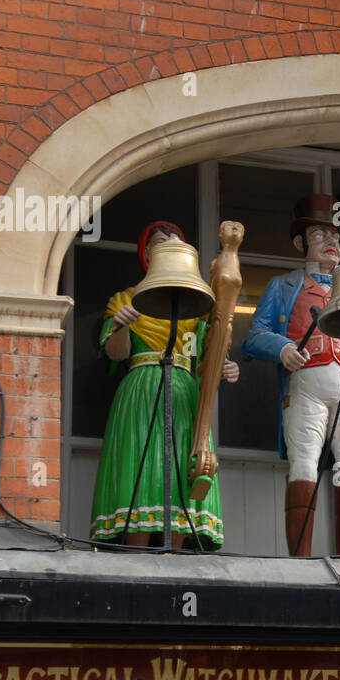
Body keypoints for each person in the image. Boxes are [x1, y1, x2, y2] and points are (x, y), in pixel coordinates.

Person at [241, 194, 340, 556]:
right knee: (303, 461)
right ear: (300, 243)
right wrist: (283, 349)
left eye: (336, 236)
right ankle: (300, 559)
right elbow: (254, 336)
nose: (332, 242)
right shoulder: (282, 286)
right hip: (305, 388)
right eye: (320, 235)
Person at [90, 220, 239, 549]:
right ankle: (137, 547)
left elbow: (202, 363)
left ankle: (179, 549)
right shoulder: (126, 299)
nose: (169, 245)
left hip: (184, 392)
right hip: (143, 386)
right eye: (160, 241)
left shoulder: (198, 310)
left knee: (182, 473)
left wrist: (221, 367)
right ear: (146, 253)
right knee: (142, 473)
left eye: (176, 241)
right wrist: (119, 328)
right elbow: (117, 355)